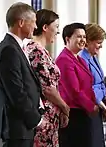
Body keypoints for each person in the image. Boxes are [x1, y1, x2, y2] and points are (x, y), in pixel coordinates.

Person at [0, 2, 43, 147]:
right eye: (33, 22)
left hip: (21, 128)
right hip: (16, 128)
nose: (36, 27)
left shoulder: (14, 47)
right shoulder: (9, 50)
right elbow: (16, 92)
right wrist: (36, 119)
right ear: (21, 22)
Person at [24, 9, 69, 147]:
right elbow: (48, 89)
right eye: (56, 27)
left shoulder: (41, 50)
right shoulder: (36, 50)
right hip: (45, 117)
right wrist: (65, 107)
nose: (57, 32)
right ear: (45, 27)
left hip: (51, 116)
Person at [56, 23, 98, 147]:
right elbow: (74, 91)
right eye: (79, 36)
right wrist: (92, 106)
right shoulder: (64, 60)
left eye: (84, 37)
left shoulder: (80, 60)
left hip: (83, 112)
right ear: (68, 39)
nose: (83, 40)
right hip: (73, 114)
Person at [78, 23, 106, 147]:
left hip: (99, 106)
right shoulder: (82, 59)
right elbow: (88, 87)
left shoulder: (93, 57)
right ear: (88, 41)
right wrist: (102, 105)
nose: (101, 46)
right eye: (98, 42)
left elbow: (101, 82)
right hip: (90, 108)